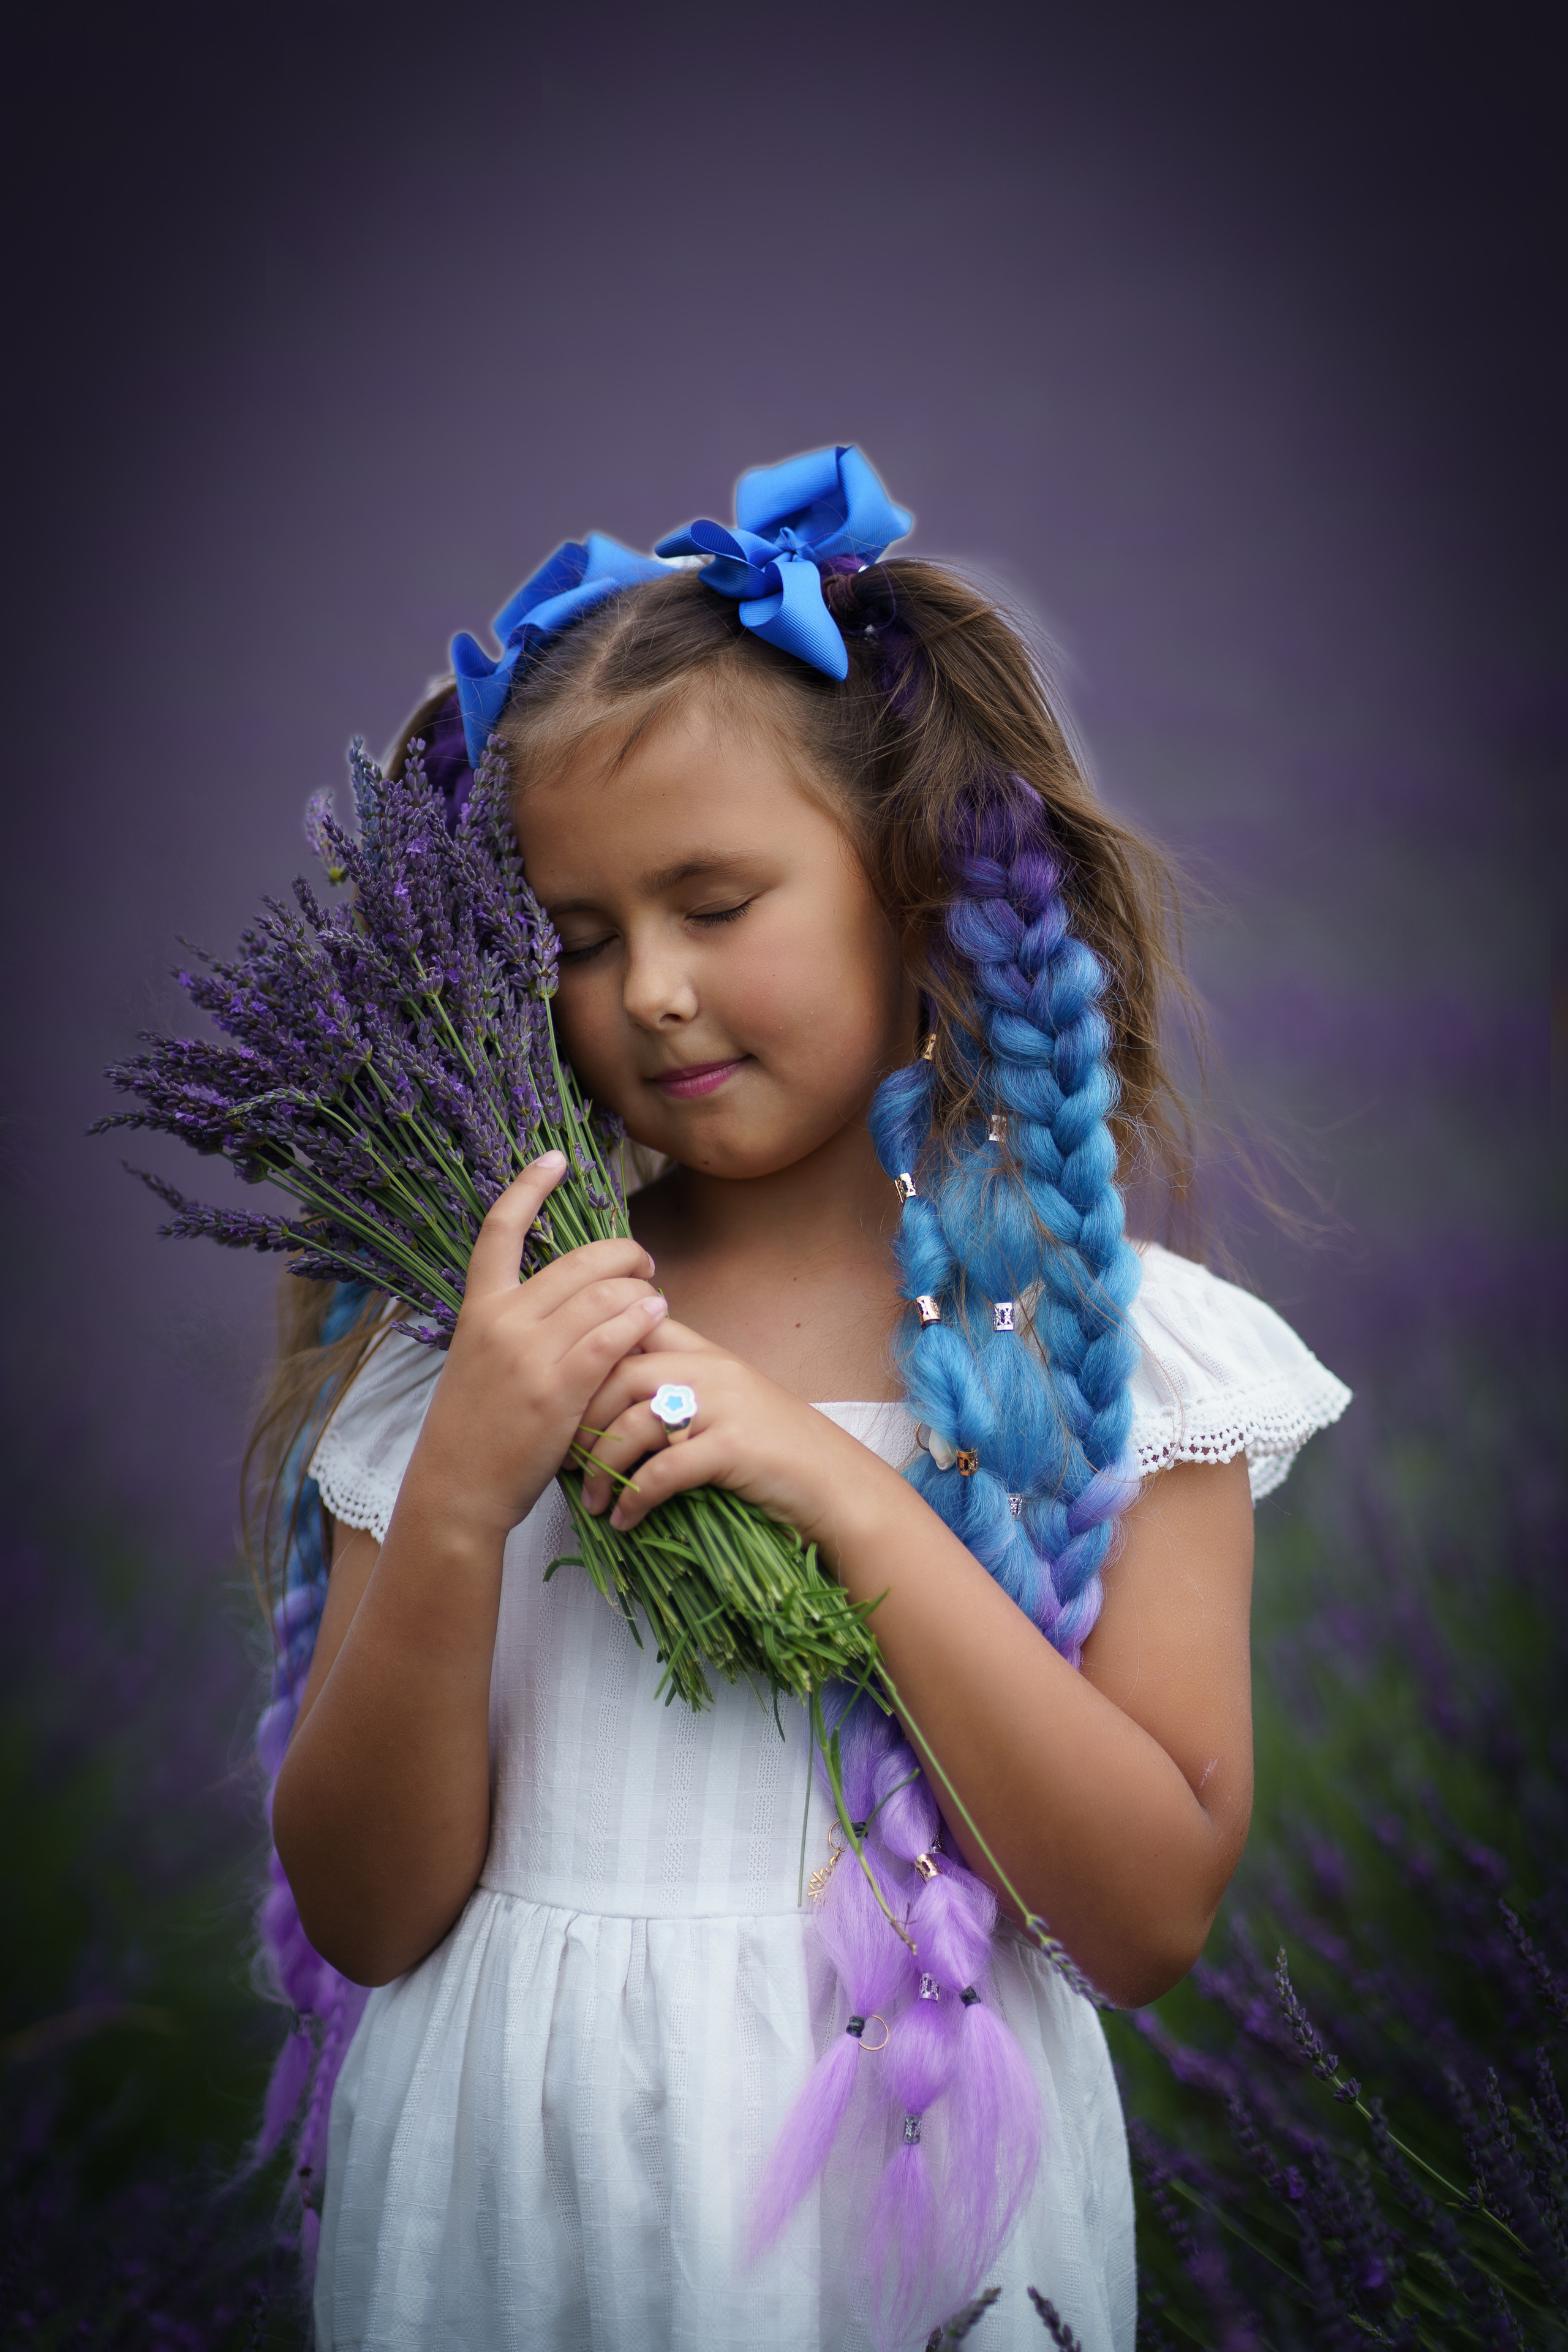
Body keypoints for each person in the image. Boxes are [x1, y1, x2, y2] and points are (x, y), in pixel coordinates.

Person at [256, 447, 1350, 2349]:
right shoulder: (488, 1354)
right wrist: (460, 1498)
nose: (651, 992)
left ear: (914, 897)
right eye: (580, 938)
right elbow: (366, 1910)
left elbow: (1144, 1918)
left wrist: (843, 1496)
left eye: (714, 901)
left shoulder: (1105, 1360)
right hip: (525, 2201)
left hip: (900, 2220)